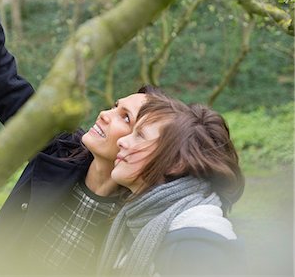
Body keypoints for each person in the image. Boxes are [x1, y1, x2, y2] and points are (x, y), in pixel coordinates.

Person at [0, 0, 164, 275]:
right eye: (114, 107)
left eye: (125, 118)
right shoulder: (56, 147)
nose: (105, 114)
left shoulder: (135, 222)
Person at [97, 95, 246, 276]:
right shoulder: (137, 220)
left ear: (176, 163)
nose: (122, 141)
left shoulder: (197, 250)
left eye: (140, 136)